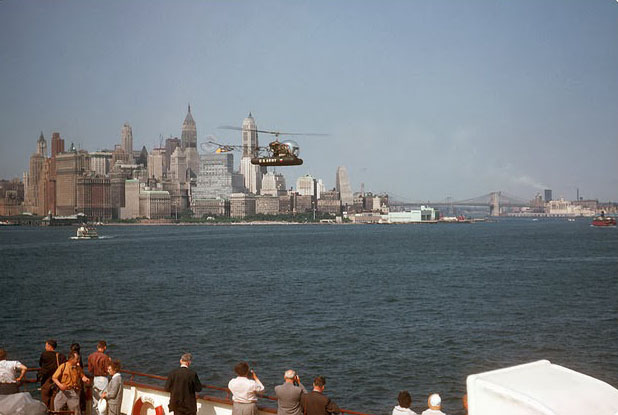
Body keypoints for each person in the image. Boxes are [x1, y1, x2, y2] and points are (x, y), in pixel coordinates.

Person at [39, 339, 67, 407]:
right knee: (54, 397)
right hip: (57, 380)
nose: (45, 347)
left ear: (49, 346)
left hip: (46, 380)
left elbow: (40, 364)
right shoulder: (61, 356)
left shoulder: (44, 355)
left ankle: (46, 411)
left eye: (46, 346)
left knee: (45, 397)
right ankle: (54, 411)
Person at [88, 340, 111, 415]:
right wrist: (110, 362)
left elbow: (90, 369)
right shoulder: (105, 357)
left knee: (95, 402)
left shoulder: (91, 356)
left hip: (95, 379)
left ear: (97, 347)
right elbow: (107, 370)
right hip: (103, 379)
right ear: (105, 347)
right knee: (103, 401)